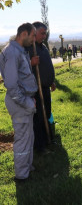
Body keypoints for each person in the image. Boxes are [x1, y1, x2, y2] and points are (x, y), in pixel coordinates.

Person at [0, 23, 38, 181]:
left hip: (25, 101)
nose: (34, 40)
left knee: (29, 136)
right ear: (24, 34)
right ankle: (22, 176)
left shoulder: (20, 51)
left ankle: (27, 168)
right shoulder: (12, 52)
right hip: (19, 103)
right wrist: (27, 102)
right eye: (33, 35)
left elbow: (22, 75)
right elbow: (11, 85)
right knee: (22, 138)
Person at [26, 22, 56, 152]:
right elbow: (21, 67)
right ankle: (40, 145)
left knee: (47, 113)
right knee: (38, 118)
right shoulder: (29, 48)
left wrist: (51, 81)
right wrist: (30, 62)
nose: (44, 35)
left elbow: (47, 65)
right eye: (42, 33)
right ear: (34, 33)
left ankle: (48, 138)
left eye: (45, 33)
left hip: (45, 87)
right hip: (36, 89)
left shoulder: (42, 47)